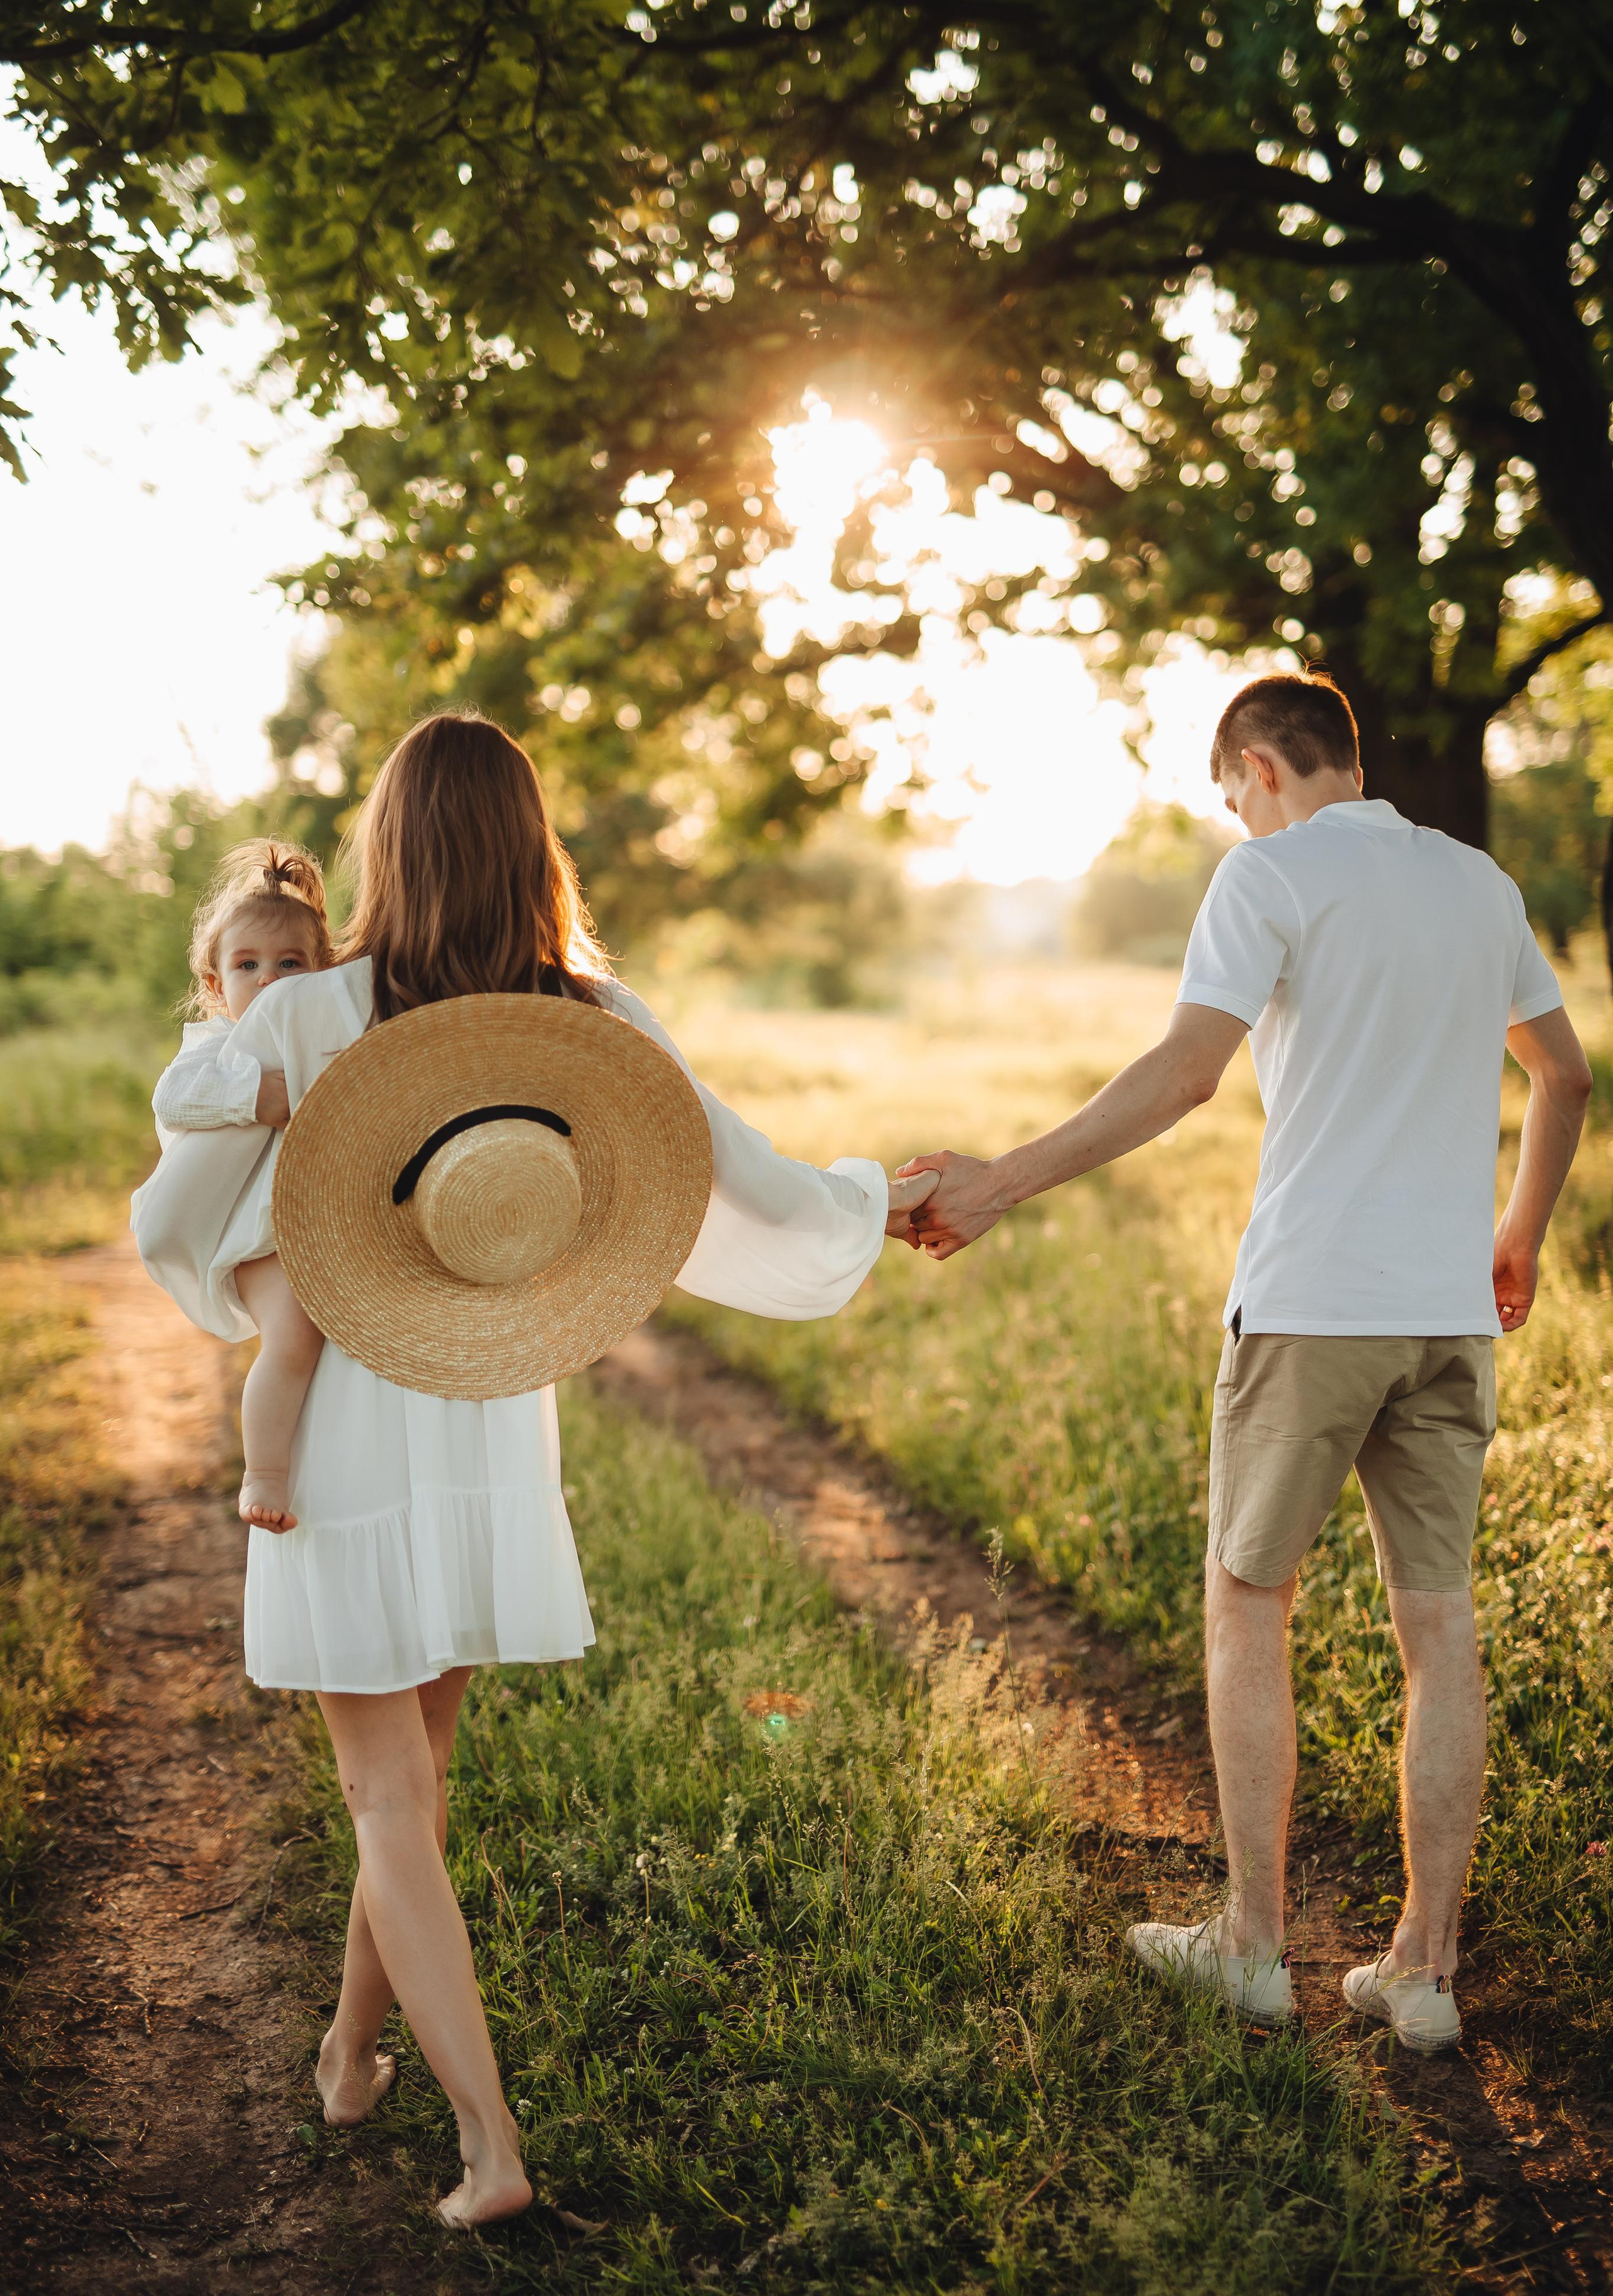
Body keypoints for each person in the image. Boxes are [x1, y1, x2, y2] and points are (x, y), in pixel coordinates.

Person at [132, 711, 933, 2229]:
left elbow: (178, 1156)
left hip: (353, 1425)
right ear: (531, 845)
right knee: (415, 1786)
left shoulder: (311, 1010)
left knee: (384, 1796)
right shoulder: (587, 1011)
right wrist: (882, 1199)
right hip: (490, 1418)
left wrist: (268, 1178)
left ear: (387, 848)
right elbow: (744, 1179)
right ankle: (352, 2047)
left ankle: (490, 2145)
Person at [897, 672, 1591, 2053]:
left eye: (1230, 796)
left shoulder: (1264, 878)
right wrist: (1513, 1236)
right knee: (1435, 1626)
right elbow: (1559, 1075)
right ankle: (1422, 1973)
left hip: (1310, 1307)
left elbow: (1183, 1075)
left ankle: (1252, 1946)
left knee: (1244, 1598)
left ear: (1258, 769)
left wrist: (995, 1184)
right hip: (1444, 1314)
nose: (1236, 816)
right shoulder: (1475, 883)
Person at [138, 841, 334, 1533]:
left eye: (291, 965)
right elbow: (175, 1100)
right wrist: (258, 1094)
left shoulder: (324, 1042)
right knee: (292, 1339)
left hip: (314, 1222)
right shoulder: (215, 1050)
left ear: (322, 973)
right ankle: (265, 1474)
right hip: (253, 1231)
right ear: (217, 985)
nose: (269, 981)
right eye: (247, 966)